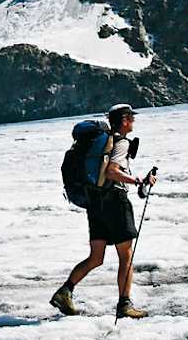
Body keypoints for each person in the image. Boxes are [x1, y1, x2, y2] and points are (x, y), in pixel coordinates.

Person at [50, 104, 157, 319]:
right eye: (131, 118)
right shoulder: (120, 142)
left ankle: (65, 291)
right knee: (125, 255)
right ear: (125, 120)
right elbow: (111, 172)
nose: (133, 122)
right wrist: (138, 181)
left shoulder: (102, 143)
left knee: (96, 257)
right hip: (114, 201)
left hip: (95, 203)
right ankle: (124, 305)